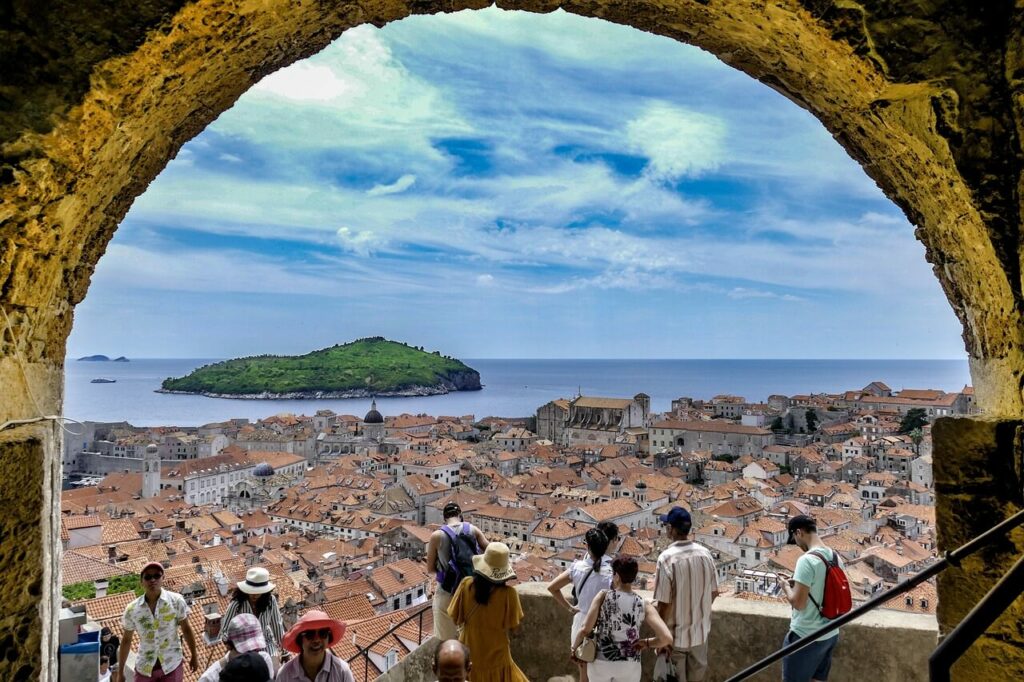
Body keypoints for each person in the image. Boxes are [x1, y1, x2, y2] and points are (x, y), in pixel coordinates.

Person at [572, 555, 673, 682]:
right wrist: (646, 643)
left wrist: (574, 648)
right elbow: (666, 638)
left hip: (601, 663)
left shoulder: (603, 596)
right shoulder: (643, 604)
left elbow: (585, 630)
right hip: (629, 665)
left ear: (617, 576)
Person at [653, 507, 719, 682]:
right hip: (700, 635)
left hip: (675, 638)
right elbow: (714, 591)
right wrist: (697, 610)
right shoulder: (706, 555)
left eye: (666, 525)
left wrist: (661, 638)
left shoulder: (666, 558)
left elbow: (663, 604)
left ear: (671, 529)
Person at [448, 542, 528, 682]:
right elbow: (515, 629)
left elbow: (455, 618)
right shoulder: (509, 595)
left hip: (469, 652)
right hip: (497, 655)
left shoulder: (466, 585)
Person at [779, 515, 841, 682]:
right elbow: (824, 589)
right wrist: (799, 584)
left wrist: (785, 587)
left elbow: (798, 604)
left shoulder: (806, 561)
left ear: (798, 532)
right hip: (830, 633)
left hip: (805, 636)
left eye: (794, 540)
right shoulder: (834, 556)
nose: (797, 545)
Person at [547, 528, 613, 682]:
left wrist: (569, 607)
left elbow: (552, 588)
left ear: (587, 547)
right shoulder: (611, 572)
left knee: (583, 671)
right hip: (603, 623)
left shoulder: (577, 568)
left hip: (581, 621)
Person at [117, 561, 199, 682]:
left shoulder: (176, 601)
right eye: (148, 577)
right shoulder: (132, 609)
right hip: (145, 668)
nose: (152, 580)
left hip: (172, 665)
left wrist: (194, 655)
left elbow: (186, 629)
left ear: (163, 578)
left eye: (157, 576)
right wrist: (120, 672)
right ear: (141, 582)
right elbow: (126, 641)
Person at [426, 502, 489, 641]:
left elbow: (430, 569)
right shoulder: (473, 529)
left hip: (447, 591)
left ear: (444, 518)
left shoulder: (437, 535)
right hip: (471, 589)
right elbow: (492, 551)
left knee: (446, 640)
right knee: (470, 637)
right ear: (460, 516)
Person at [219, 567, 284, 665]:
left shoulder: (271, 601)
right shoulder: (236, 604)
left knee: (274, 671)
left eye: (258, 591)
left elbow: (277, 626)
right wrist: (231, 646)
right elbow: (225, 630)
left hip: (266, 641)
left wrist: (284, 651)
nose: (254, 595)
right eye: (252, 591)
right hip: (242, 644)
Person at [277, 609, 354, 682]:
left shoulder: (342, 671)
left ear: (328, 637)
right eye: (310, 634)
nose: (317, 640)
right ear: (300, 639)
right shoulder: (285, 675)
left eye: (323, 633)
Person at [198, 614, 275, 682]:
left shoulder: (264, 660)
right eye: (245, 650)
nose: (252, 655)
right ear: (228, 646)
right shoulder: (210, 678)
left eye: (256, 649)